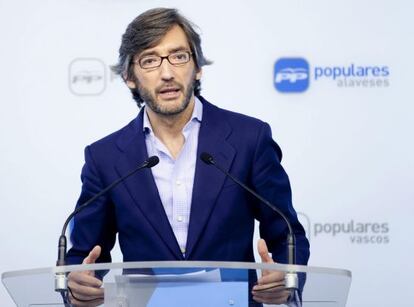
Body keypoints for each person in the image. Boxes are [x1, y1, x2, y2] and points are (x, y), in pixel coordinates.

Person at [66, 7, 310, 306]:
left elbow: (287, 232)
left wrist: (287, 279)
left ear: (197, 67)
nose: (167, 73)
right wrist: (77, 286)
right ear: (130, 76)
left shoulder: (249, 138)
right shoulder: (104, 157)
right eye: (150, 60)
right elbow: (84, 256)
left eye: (179, 56)